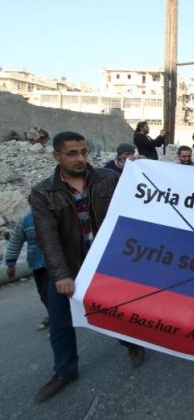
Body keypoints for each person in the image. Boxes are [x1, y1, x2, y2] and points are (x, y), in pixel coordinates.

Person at [30, 131, 146, 403]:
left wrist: (142, 170)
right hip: (67, 269)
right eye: (72, 153)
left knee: (117, 314)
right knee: (60, 325)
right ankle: (65, 371)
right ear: (56, 156)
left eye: (84, 152)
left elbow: (137, 202)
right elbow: (47, 237)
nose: (81, 158)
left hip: (106, 265)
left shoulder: (108, 179)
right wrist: (61, 275)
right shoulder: (42, 193)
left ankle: (132, 345)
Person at [5, 212, 49, 330]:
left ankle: (58, 318)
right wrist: (10, 264)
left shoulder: (55, 214)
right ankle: (54, 315)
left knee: (54, 293)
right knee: (44, 294)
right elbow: (16, 241)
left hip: (57, 264)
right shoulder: (26, 220)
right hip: (38, 265)